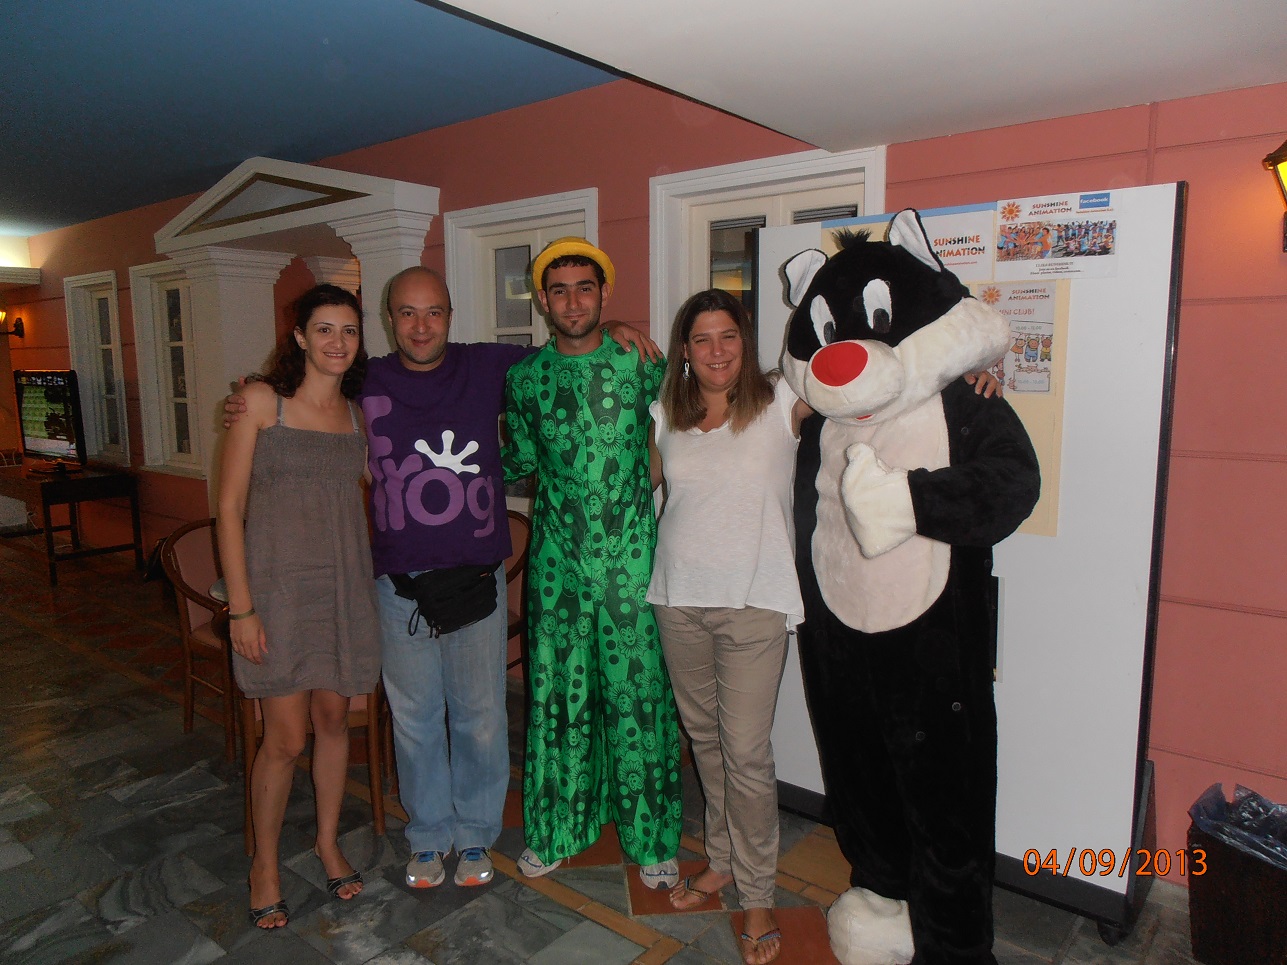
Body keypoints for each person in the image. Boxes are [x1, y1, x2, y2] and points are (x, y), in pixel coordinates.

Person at [224, 267, 658, 895]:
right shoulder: (364, 378)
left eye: (433, 312)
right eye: (407, 313)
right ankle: (428, 834)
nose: (421, 326)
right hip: (395, 586)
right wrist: (252, 393)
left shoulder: (491, 366)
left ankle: (476, 829)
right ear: (389, 319)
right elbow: (302, 392)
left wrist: (612, 325)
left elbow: (570, 345)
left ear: (450, 317)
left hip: (476, 579)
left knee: (480, 717)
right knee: (415, 719)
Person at [503, 238, 683, 889]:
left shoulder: (642, 361)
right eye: (559, 290)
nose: (573, 301)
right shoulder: (525, 378)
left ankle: (652, 838)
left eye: (585, 288)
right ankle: (556, 829)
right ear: (542, 300)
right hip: (556, 571)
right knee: (558, 700)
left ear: (604, 294)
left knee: (640, 698)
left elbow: (684, 430)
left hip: (633, 567)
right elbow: (517, 461)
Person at [647, 289, 808, 965]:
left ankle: (757, 892)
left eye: (728, 336)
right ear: (684, 350)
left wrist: (966, 371)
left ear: (746, 341)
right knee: (707, 742)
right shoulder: (664, 414)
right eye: (702, 339)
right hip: (678, 598)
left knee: (746, 754)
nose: (716, 351)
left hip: (754, 601)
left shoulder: (782, 401)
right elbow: (637, 489)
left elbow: (869, 382)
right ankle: (719, 861)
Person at [217, 284, 381, 928]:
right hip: (277, 595)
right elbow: (229, 508)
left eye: (349, 330)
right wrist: (241, 609)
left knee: (335, 723)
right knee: (284, 739)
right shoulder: (262, 403)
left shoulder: (359, 417)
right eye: (324, 329)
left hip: (343, 591)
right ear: (299, 337)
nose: (338, 342)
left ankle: (326, 842)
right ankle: (264, 864)